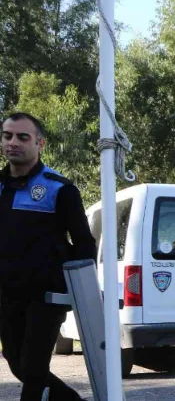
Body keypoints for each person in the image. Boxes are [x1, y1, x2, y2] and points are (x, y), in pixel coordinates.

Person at [0, 112, 96, 401]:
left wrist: (80, 291)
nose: (13, 142)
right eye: (7, 136)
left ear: (40, 143)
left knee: (33, 368)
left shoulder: (60, 189)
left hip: (47, 295)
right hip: (7, 293)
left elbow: (83, 243)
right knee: (17, 362)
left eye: (22, 137)